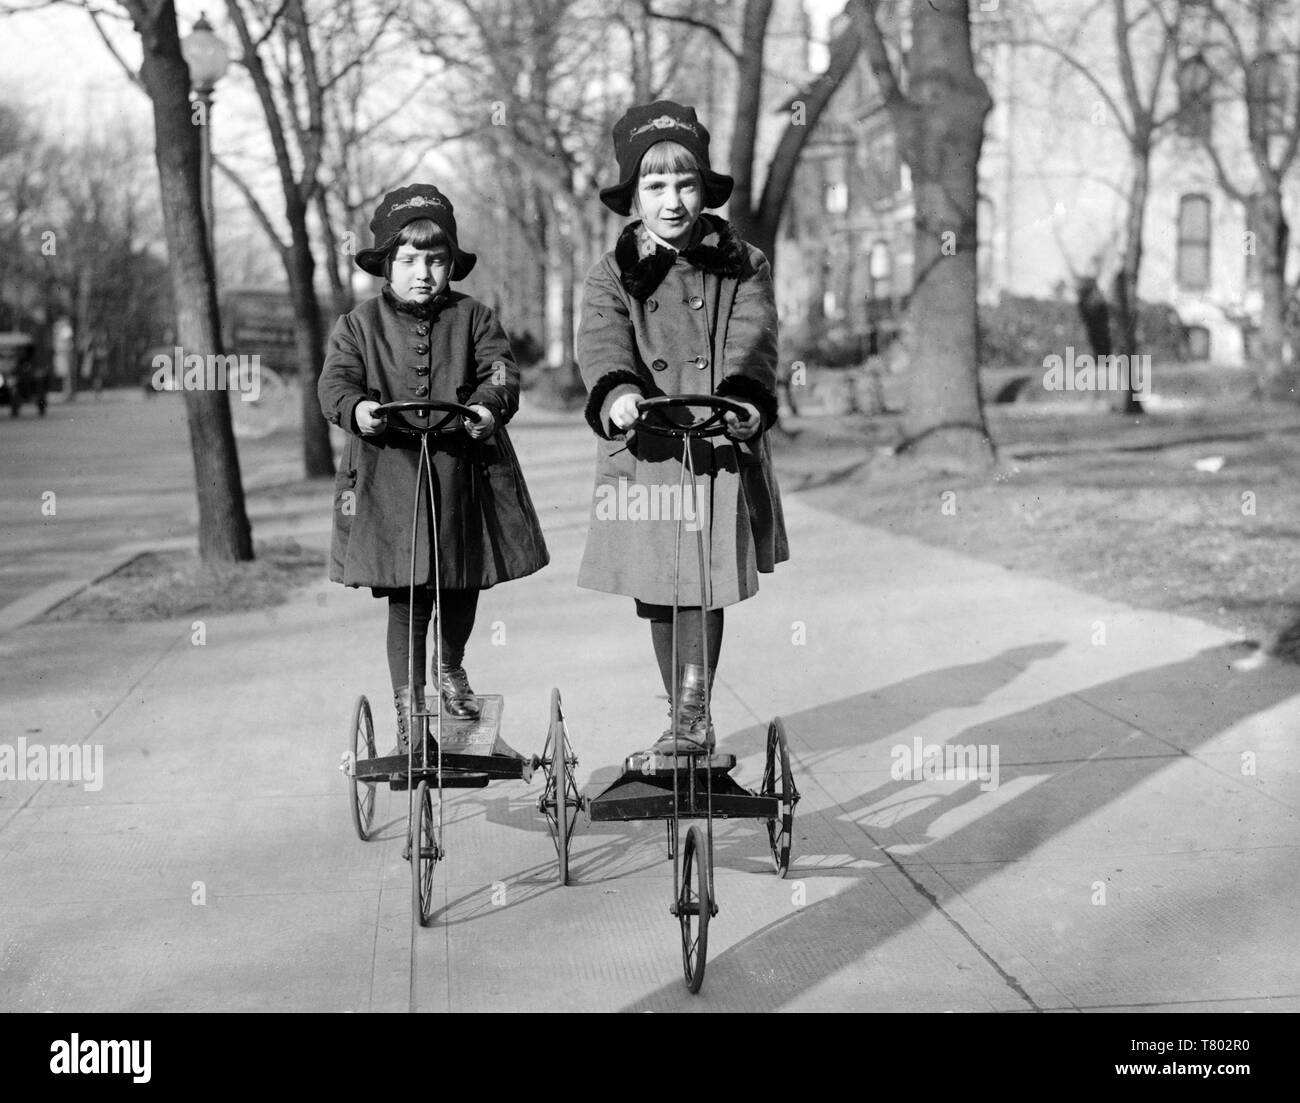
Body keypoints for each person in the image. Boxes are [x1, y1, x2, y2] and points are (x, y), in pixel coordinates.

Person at [576, 101, 789, 756]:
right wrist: (617, 391)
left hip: (716, 444)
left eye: (685, 184)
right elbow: (603, 341)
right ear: (635, 194)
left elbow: (753, 336)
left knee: (704, 582)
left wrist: (743, 397)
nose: (672, 201)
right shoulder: (614, 273)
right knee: (658, 592)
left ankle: (693, 712)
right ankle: (680, 709)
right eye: (656, 185)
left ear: (704, 188)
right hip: (648, 449)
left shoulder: (741, 263)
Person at [319, 183, 549, 754]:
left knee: (462, 582)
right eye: (409, 260)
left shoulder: (474, 317)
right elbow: (334, 383)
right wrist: (359, 409)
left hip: (462, 474)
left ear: (450, 265)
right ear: (387, 264)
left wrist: (487, 407)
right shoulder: (358, 324)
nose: (423, 273)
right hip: (389, 478)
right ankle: (408, 713)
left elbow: (500, 373)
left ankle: (450, 666)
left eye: (436, 260)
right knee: (408, 597)